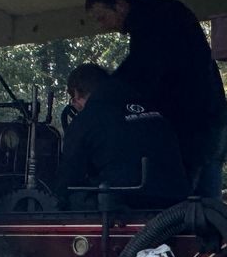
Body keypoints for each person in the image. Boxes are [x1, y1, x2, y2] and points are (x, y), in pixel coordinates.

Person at [85, 0, 227, 199]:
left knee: (182, 204)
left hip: (191, 129)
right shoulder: (169, 12)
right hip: (215, 120)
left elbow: (141, 74)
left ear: (121, 5)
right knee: (209, 203)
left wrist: (104, 94)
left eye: (102, 17)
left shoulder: (150, 25)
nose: (103, 26)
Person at [55, 62, 188, 210]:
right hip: (177, 203)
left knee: (72, 198)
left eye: (73, 100)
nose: (75, 105)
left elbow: (68, 178)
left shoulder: (86, 120)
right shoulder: (153, 108)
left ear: (77, 93)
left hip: (126, 204)